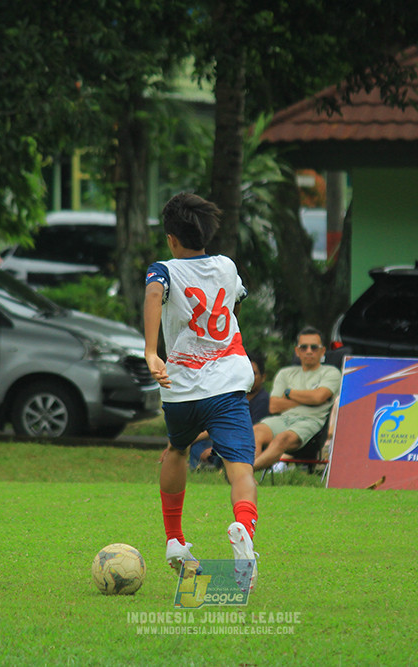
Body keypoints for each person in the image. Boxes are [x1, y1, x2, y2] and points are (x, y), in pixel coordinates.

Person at [144, 192, 260, 591]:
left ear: (171, 239)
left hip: (179, 389)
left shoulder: (163, 270)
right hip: (226, 385)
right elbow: (237, 302)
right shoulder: (226, 266)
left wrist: (151, 352)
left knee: (177, 449)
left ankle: (175, 540)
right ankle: (243, 527)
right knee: (240, 469)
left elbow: (154, 293)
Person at [252, 327, 342, 471]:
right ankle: (248, 474)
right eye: (303, 347)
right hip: (283, 419)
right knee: (255, 431)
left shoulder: (331, 372)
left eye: (314, 347)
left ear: (323, 351)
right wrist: (310, 399)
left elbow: (319, 396)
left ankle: (247, 472)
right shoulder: (285, 373)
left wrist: (288, 393)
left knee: (282, 438)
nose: (309, 351)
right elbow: (274, 406)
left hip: (311, 422)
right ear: (297, 351)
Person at [188, 351, 270, 470]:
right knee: (198, 446)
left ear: (263, 377)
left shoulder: (263, 400)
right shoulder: (234, 396)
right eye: (245, 372)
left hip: (243, 444)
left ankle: (208, 464)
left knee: (225, 450)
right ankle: (207, 463)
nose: (249, 377)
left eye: (254, 373)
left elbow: (249, 433)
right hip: (221, 440)